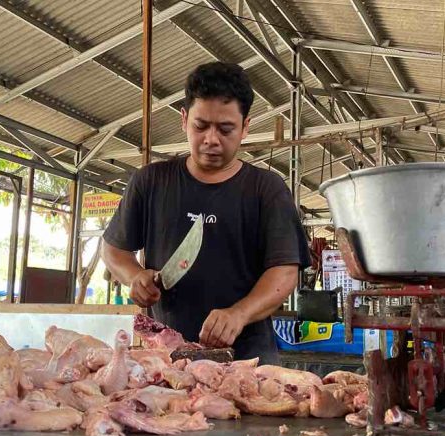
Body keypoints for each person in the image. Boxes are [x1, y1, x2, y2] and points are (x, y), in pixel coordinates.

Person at [101, 61, 311, 364]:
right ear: (184, 119)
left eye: (226, 129)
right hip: (167, 359)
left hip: (248, 361)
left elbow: (285, 272)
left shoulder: (266, 189)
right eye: (201, 126)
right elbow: (113, 249)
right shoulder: (151, 181)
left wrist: (239, 313)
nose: (211, 139)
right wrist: (135, 277)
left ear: (245, 127)